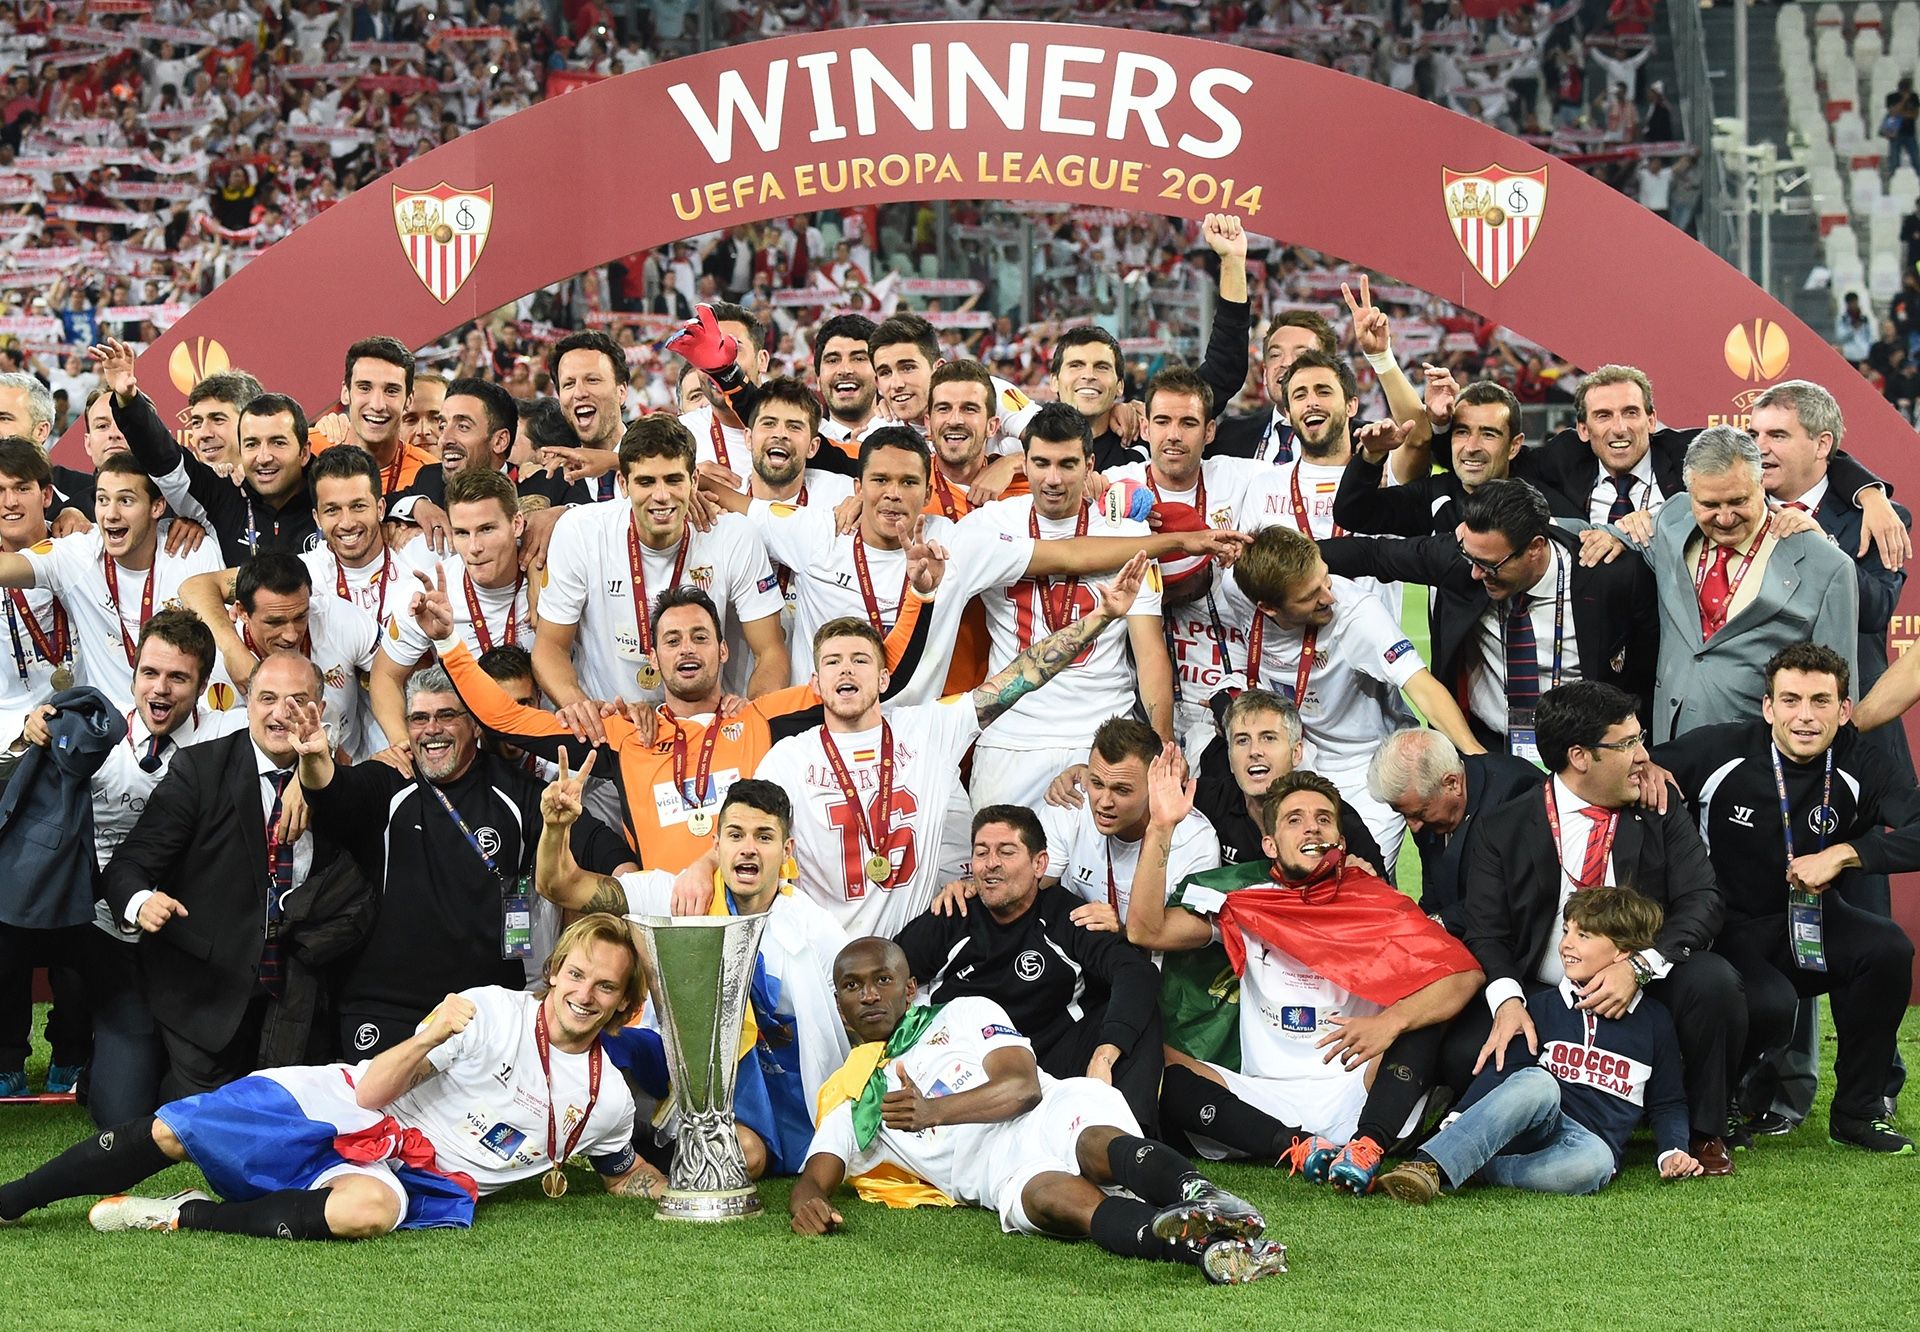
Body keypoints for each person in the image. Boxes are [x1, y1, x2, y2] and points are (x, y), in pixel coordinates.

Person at [0, 915, 665, 1236]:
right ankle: (15, 1199)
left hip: (412, 1174)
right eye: (576, 974)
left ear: (622, 1003)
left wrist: (696, 1188)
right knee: (176, 1129)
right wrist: (433, 1032)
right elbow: (376, 1090)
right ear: (556, 970)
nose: (584, 994)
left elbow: (622, 1174)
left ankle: (187, 1215)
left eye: (604, 987)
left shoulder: (605, 1099)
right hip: (351, 1104)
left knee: (364, 1212)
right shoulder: (489, 1010)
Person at [788, 937, 1289, 1286]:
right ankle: (1204, 1250)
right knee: (1058, 1202)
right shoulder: (854, 1099)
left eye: (882, 979)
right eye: (852, 986)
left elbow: (1023, 1088)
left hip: (1050, 1111)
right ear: (838, 1001)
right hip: (1000, 1173)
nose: (869, 994)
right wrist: (805, 1202)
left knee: (1094, 1148)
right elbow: (816, 1174)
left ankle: (1203, 1196)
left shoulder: (963, 1012)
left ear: (909, 985)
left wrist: (932, 1111)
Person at [1125, 765, 1483, 1196]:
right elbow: (1146, 931)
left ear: (1341, 840)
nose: (1311, 827)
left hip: (1359, 1091)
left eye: (1323, 819)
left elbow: (1463, 974)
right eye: (1294, 820)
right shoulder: (1245, 904)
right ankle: (1295, 1148)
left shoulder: (1375, 902)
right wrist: (1161, 826)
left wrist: (1391, 1022)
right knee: (1157, 1063)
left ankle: (1368, 1146)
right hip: (1262, 1098)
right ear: (1270, 844)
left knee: (1422, 1021)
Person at [754, 552, 1155, 935]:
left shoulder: (928, 728)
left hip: (913, 952)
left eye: (860, 659)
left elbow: (1023, 673)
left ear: (882, 680)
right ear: (815, 682)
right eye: (832, 661)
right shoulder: (785, 760)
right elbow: (745, 842)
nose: (846, 668)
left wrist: (1102, 616)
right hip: (824, 954)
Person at [1456, 681, 1747, 1174]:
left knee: (1714, 983)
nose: (1643, 756)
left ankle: (1701, 1133)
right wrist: (1508, 1002)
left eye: (1641, 739)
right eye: (1628, 744)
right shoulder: (1502, 827)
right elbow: (1486, 932)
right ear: (1580, 757)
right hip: (1545, 992)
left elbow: (1703, 900)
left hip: (1644, 988)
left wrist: (1640, 966)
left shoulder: (1656, 808)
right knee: (1466, 1049)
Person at [1654, 643, 1920, 1154]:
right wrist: (1645, 772)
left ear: (1845, 711)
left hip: (1811, 921)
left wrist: (1845, 853)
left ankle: (1859, 1112)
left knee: (1887, 950)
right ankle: (1718, 1100)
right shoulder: (1718, 750)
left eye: (1821, 702)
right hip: (1726, 929)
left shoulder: (1862, 760)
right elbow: (1637, 773)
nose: (1805, 717)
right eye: (1791, 700)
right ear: (1767, 707)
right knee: (1769, 1002)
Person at [291, 663, 634, 1056]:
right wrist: (315, 759)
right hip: (386, 1009)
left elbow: (598, 844)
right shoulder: (390, 779)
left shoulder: (517, 792)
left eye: (446, 715)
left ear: (475, 725)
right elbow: (335, 794)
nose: (431, 729)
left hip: (485, 1012)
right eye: (419, 718)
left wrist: (638, 886)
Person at [538, 773, 850, 1180]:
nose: (748, 849)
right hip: (673, 1070)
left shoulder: (815, 930)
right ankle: (593, 1135)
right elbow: (560, 885)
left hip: (768, 1095)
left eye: (764, 837)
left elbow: (854, 1021)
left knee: (744, 1158)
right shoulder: (676, 895)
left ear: (787, 849)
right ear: (716, 845)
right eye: (736, 835)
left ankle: (657, 1148)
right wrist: (556, 828)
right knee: (597, 1041)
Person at [100, 652, 375, 1100]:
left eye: (298, 699)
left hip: (298, 989)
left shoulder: (338, 785)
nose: (281, 712)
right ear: (247, 703)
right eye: (267, 698)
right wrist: (142, 902)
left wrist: (309, 783)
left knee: (292, 1114)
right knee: (188, 1117)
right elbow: (127, 866)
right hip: (204, 988)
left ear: (320, 712)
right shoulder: (198, 770)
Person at [1374, 889, 1704, 1203]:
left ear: (1622, 953)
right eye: (1566, 931)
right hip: (1535, 1122)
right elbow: (1504, 1070)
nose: (1566, 945)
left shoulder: (1655, 1021)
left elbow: (1668, 1101)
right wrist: (1459, 1118)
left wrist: (1673, 1151)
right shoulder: (1542, 1007)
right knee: (1537, 1082)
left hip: (1586, 1144)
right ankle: (1430, 1165)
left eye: (1583, 936)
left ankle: (1480, 1169)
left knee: (1596, 1163)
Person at [1216, 523, 1484, 870]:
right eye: (1310, 596)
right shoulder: (1236, 587)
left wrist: (1476, 756)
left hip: (1364, 767)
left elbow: (1422, 687)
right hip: (1299, 755)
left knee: (1362, 881)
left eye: (1325, 579)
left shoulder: (1359, 616)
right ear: (1268, 608)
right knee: (1295, 871)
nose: (1328, 596)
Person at [1320, 478, 1657, 753]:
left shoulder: (1612, 577)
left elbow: (1644, 679)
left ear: (1535, 548)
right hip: (1489, 746)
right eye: (1471, 559)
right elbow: (1374, 555)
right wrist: (1289, 558)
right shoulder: (1464, 559)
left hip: (1586, 749)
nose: (1477, 575)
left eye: (1491, 566)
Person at [896, 804, 1165, 1130]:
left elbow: (1136, 971)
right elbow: (886, 969)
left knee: (1137, 1012)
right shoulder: (954, 913)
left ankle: (1131, 1144)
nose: (990, 864)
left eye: (1006, 852)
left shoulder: (1066, 916)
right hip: (969, 1074)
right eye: (981, 853)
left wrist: (1104, 1054)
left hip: (1050, 1067)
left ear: (1040, 864)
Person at [966, 401, 1173, 804]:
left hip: (1101, 736)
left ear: (1090, 464)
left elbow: (1150, 655)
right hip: (1010, 738)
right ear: (1022, 463)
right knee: (998, 863)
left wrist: (1160, 750)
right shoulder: (989, 524)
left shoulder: (1130, 533)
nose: (1053, 479)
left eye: (1067, 464)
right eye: (1041, 463)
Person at [534, 414, 788, 714]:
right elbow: (549, 647)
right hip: (613, 722)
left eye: (673, 480)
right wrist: (583, 710)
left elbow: (771, 651)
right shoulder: (579, 532)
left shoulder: (734, 536)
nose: (661, 496)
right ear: (623, 484)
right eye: (646, 482)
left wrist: (750, 716)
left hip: (706, 726)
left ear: (693, 480)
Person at [1633, 427, 1859, 743]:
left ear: (1762, 483)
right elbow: (1608, 539)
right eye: (1710, 505)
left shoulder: (1828, 567)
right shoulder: (1672, 520)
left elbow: (1836, 690)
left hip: (1757, 765)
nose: (1725, 518)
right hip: (1667, 755)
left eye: (1738, 501)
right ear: (1691, 495)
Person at [94, 340, 322, 566]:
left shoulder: (327, 491)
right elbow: (165, 460)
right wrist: (130, 402)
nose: (263, 457)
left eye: (277, 443)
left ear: (303, 453)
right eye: (252, 444)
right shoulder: (222, 496)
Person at [372, 468, 534, 755]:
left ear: (517, 524)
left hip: (549, 751)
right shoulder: (429, 594)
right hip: (470, 760)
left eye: (487, 529)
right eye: (461, 533)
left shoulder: (552, 573)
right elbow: (385, 677)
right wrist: (404, 746)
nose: (474, 548)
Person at [177, 554, 380, 759]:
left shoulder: (338, 618)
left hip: (352, 766)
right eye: (275, 622)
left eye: (300, 616)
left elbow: (391, 675)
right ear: (242, 612)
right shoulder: (220, 665)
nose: (291, 635)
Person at [1366, 727, 1543, 935]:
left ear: (1452, 783)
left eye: (1419, 813)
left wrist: (1432, 925)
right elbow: (1434, 894)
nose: (1413, 826)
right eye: (1404, 814)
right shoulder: (1426, 804)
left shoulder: (1514, 796)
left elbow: (1507, 899)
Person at [310, 336, 434, 496]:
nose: (377, 405)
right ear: (345, 392)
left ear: (409, 400)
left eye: (391, 391)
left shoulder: (429, 474)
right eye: (364, 387)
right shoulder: (306, 452)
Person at [811, 312, 880, 446]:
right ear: (818, 380)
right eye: (832, 360)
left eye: (859, 358)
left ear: (880, 374)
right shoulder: (804, 450)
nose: (845, 370)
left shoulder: (910, 437)